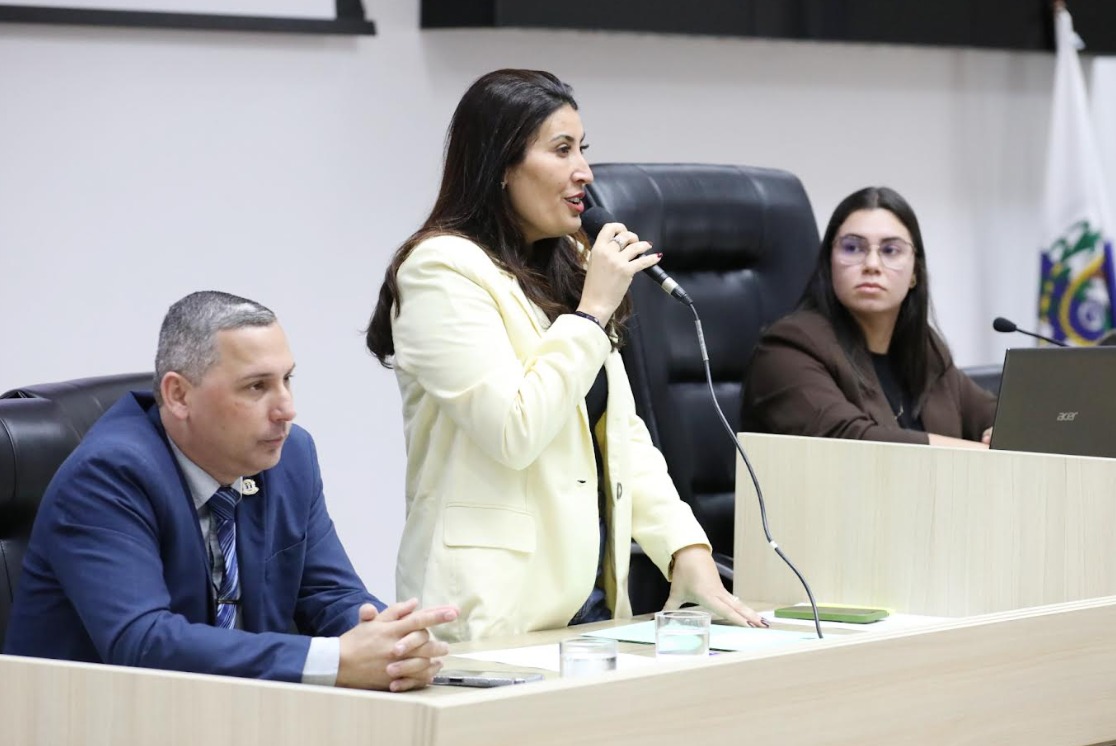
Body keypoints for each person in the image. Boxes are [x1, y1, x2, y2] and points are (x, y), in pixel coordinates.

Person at [365, 68, 765, 642]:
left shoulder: (566, 268)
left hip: (592, 605)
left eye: (582, 149)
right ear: (501, 165)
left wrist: (685, 549)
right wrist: (593, 310)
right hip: (491, 613)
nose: (585, 172)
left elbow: (621, 437)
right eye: (561, 150)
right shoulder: (441, 270)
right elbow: (514, 429)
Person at [4, 291, 458, 692]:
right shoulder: (108, 476)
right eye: (257, 386)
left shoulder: (290, 457)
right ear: (178, 396)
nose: (286, 409)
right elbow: (143, 642)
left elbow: (329, 593)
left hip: (235, 719)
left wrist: (393, 643)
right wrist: (333, 660)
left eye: (287, 379)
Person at [741, 186, 996, 448]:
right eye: (852, 248)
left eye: (890, 250)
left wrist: (998, 431)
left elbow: (995, 414)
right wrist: (980, 452)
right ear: (829, 265)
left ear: (914, 273)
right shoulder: (787, 349)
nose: (872, 265)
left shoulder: (925, 350)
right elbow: (849, 441)